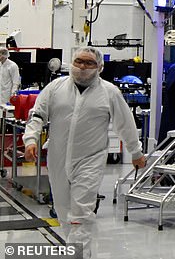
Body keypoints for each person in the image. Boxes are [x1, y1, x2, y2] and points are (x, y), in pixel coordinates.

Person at [23, 47, 146, 258]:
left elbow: (125, 124)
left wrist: (136, 152)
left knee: (81, 214)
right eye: (79, 61)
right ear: (72, 62)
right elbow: (37, 114)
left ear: (99, 67)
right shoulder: (56, 88)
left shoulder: (109, 92)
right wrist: (31, 140)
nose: (82, 66)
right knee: (63, 213)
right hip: (57, 158)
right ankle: (81, 252)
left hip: (90, 160)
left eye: (89, 63)